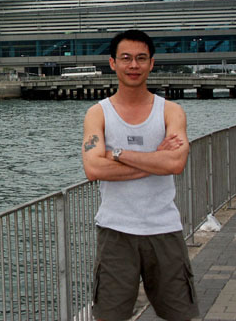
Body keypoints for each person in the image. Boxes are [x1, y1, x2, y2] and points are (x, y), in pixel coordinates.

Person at [81, 29, 199, 321]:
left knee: (180, 314)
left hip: (164, 229)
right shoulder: (98, 113)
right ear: (112, 63)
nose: (133, 65)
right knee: (110, 315)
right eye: (126, 58)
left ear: (151, 63)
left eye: (141, 58)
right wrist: (155, 159)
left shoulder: (171, 111)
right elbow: (93, 169)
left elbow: (176, 163)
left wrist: (117, 153)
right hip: (115, 231)